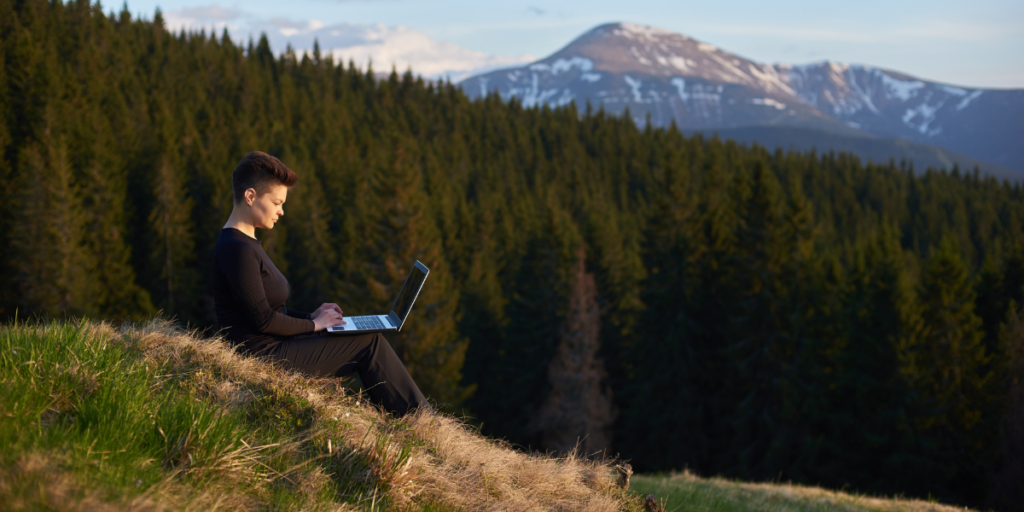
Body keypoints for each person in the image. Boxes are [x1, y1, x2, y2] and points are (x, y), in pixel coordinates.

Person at [211, 151, 428, 415]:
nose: (282, 210)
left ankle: (416, 417)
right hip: (262, 357)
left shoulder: (246, 243)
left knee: (363, 336)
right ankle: (423, 421)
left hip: (272, 346)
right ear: (250, 196)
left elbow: (271, 311)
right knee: (368, 343)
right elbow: (264, 321)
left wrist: (312, 317)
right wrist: (315, 325)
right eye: (277, 202)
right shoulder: (237, 249)